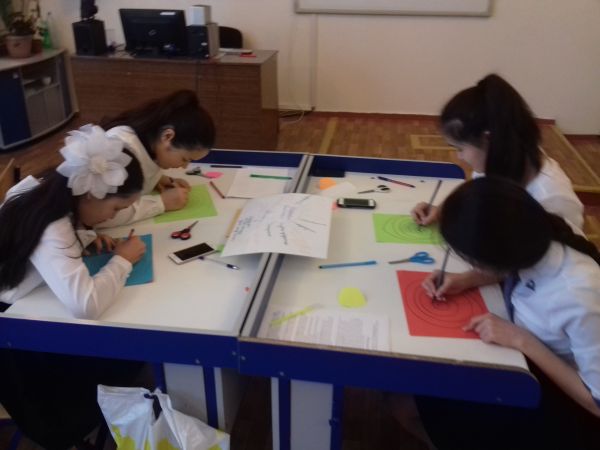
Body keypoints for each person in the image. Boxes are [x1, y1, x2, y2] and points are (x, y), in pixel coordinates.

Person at [417, 177, 600, 450]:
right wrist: (466, 280)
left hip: (569, 407)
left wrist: (521, 340)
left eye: (470, 259)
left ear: (495, 254)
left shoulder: (578, 296)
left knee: (430, 399)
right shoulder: (534, 237)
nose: (470, 265)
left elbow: (596, 402)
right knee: (428, 390)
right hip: (527, 367)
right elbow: (517, 269)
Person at [0, 124, 149, 449]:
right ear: (91, 193)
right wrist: (122, 260)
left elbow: (37, 251)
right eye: (115, 208)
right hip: (13, 344)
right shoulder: (53, 225)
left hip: (18, 310)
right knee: (124, 357)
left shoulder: (44, 189)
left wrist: (85, 237)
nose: (114, 216)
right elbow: (86, 305)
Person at [411, 74, 584, 232]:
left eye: (460, 148)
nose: (459, 156)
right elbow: (480, 191)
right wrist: (442, 209)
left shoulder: (552, 201)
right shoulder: (502, 157)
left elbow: (568, 252)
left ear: (489, 139)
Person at [99, 89, 216, 227]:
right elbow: (103, 215)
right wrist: (161, 203)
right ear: (167, 136)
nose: (185, 167)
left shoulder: (151, 145)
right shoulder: (121, 149)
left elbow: (141, 167)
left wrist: (158, 179)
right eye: (185, 159)